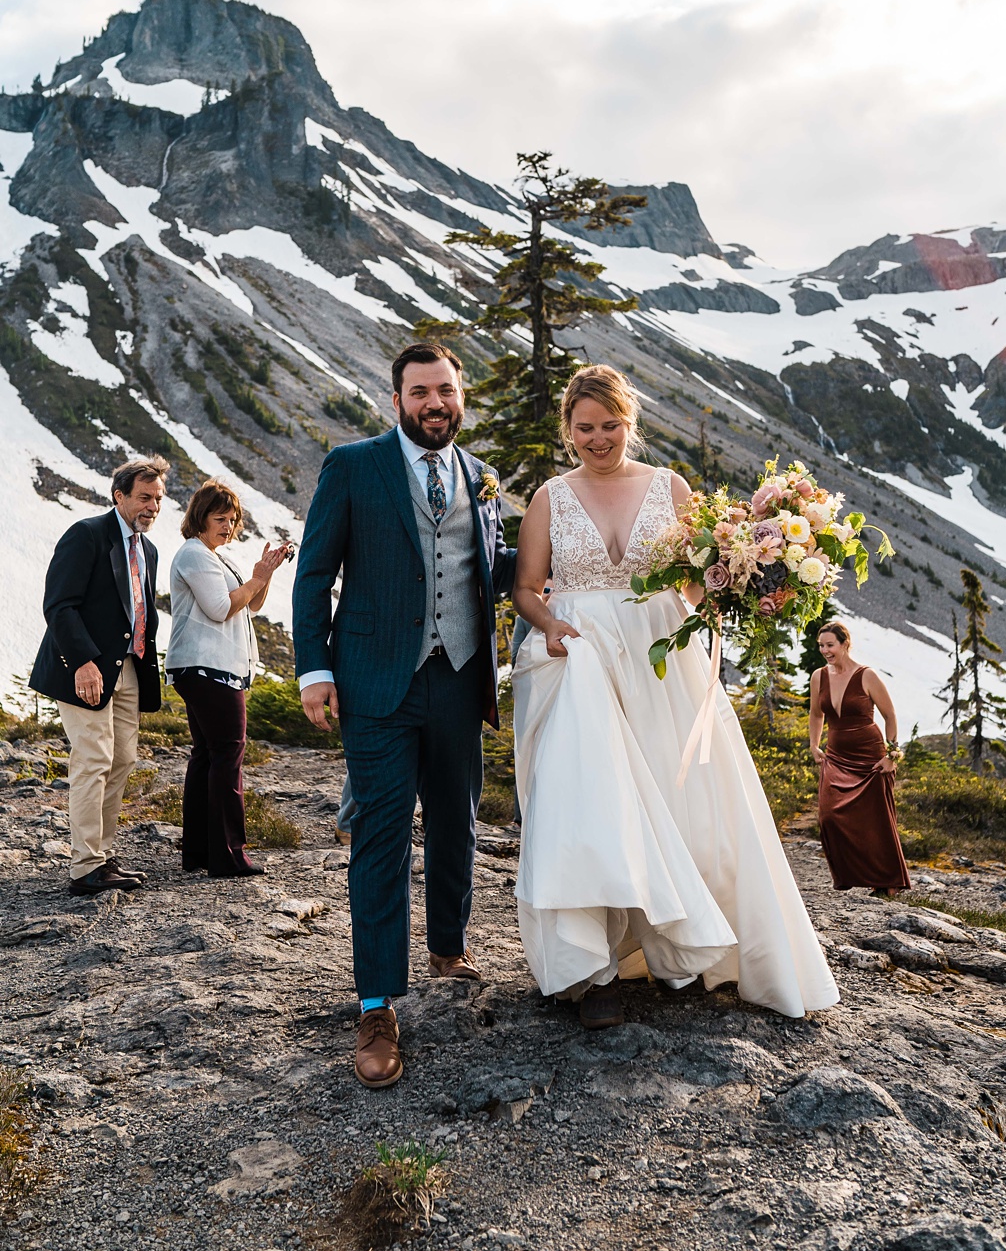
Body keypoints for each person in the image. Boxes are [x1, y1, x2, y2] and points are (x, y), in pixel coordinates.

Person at [512, 365, 839, 1027]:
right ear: (568, 430)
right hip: (580, 657)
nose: (598, 439)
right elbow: (525, 586)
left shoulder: (671, 487)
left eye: (610, 425)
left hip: (661, 658)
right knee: (587, 800)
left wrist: (712, 592)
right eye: (585, 428)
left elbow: (699, 578)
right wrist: (549, 626)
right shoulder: (550, 495)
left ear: (630, 420)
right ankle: (591, 968)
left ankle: (677, 950)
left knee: (676, 796)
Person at [293, 341, 516, 1089]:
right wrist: (314, 669)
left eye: (446, 391)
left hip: (457, 678)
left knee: (458, 819)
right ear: (397, 400)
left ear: (462, 396)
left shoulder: (480, 477)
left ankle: (448, 948)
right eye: (420, 392)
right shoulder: (353, 466)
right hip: (375, 684)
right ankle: (378, 1005)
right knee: (380, 840)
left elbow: (496, 567)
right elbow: (315, 572)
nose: (435, 403)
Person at [29, 456, 169, 896]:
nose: (153, 506)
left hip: (128, 668)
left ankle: (103, 857)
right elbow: (59, 605)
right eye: (144, 497)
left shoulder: (148, 550)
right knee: (93, 759)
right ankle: (85, 866)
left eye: (159, 499)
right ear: (120, 495)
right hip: (83, 669)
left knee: (122, 760)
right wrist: (84, 662)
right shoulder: (86, 535)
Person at [165, 480, 291, 878]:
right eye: (220, 519)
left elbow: (250, 604)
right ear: (200, 518)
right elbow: (220, 608)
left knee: (207, 755)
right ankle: (228, 855)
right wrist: (257, 578)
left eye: (233, 520)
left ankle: (202, 853)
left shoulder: (213, 557)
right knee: (227, 754)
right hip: (208, 667)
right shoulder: (195, 555)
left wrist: (263, 574)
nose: (228, 526)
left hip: (211, 667)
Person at [810, 621, 910, 897]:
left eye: (830, 645)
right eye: (821, 645)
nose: (825, 650)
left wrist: (891, 755)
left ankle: (887, 882)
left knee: (876, 821)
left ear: (845, 644)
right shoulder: (819, 676)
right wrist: (814, 745)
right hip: (837, 755)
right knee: (829, 816)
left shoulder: (867, 676)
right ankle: (854, 874)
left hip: (870, 756)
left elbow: (889, 716)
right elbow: (817, 714)